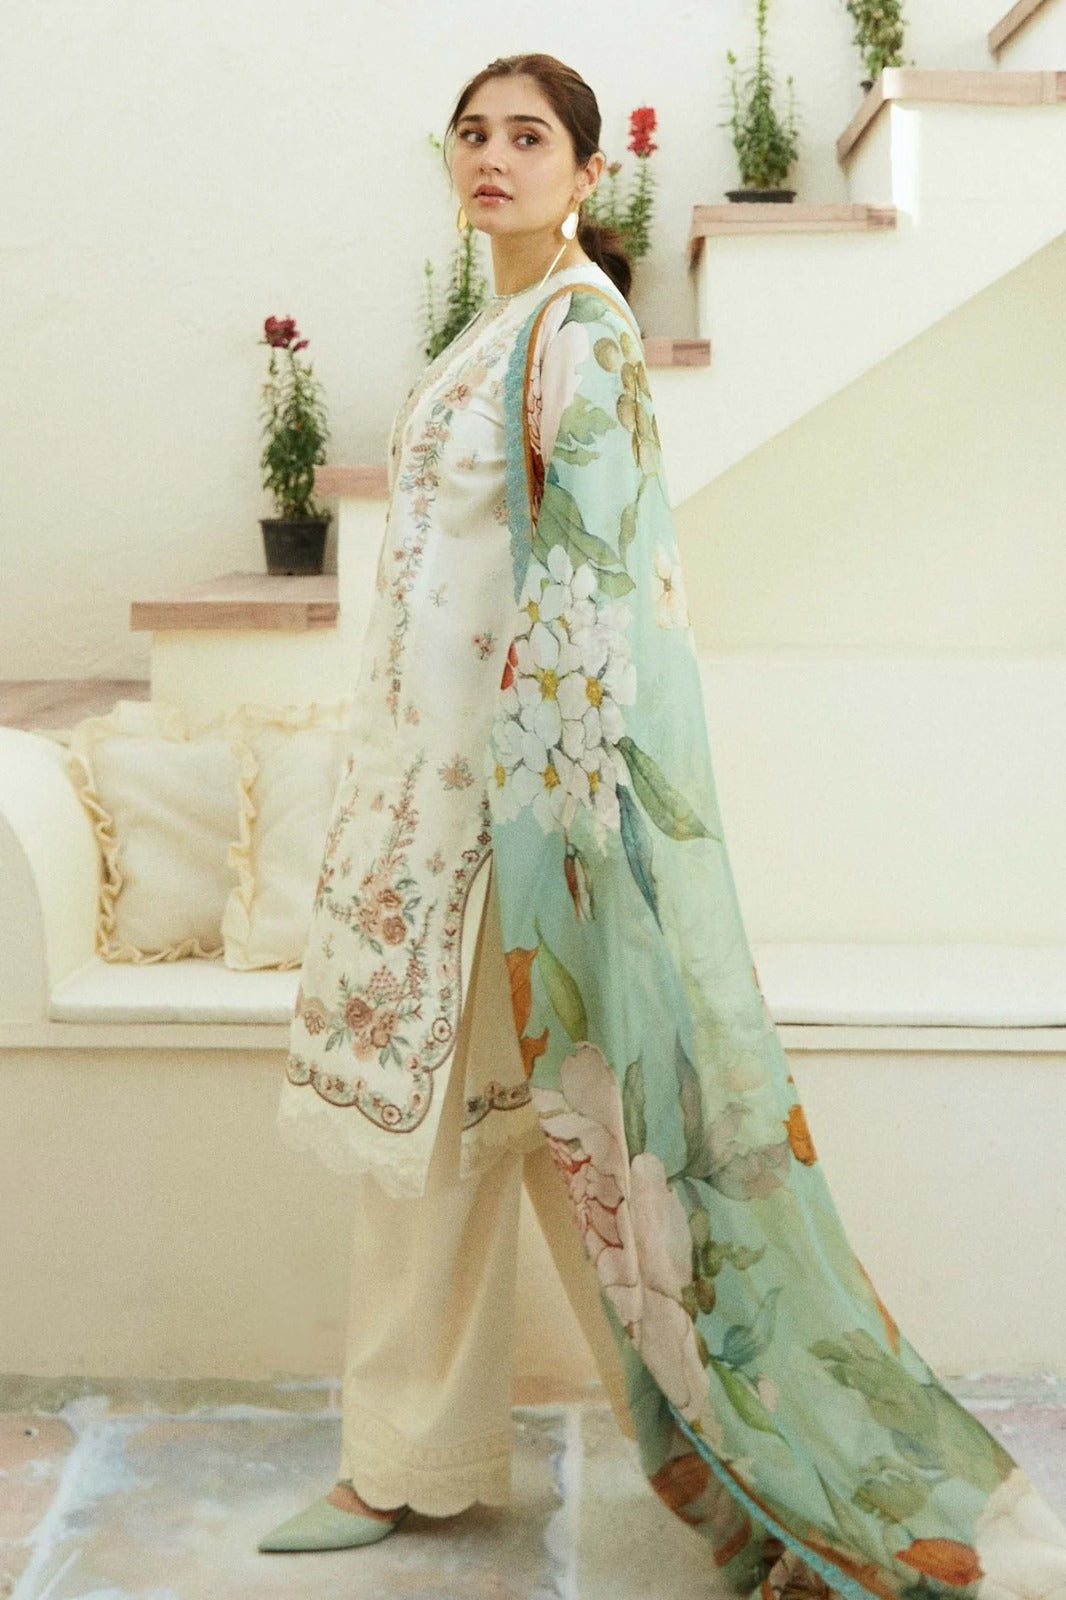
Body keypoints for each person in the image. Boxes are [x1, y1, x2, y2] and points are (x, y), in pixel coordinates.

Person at [258, 52, 1066, 1600]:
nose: (493, 157)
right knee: (471, 1139)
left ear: (584, 174)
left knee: (561, 1144)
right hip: (426, 815)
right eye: (472, 134)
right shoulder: (488, 334)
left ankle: (700, 1448)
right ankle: (419, 1457)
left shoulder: (579, 332)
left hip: (514, 820)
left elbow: (598, 582)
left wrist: (558, 823)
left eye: (528, 137)